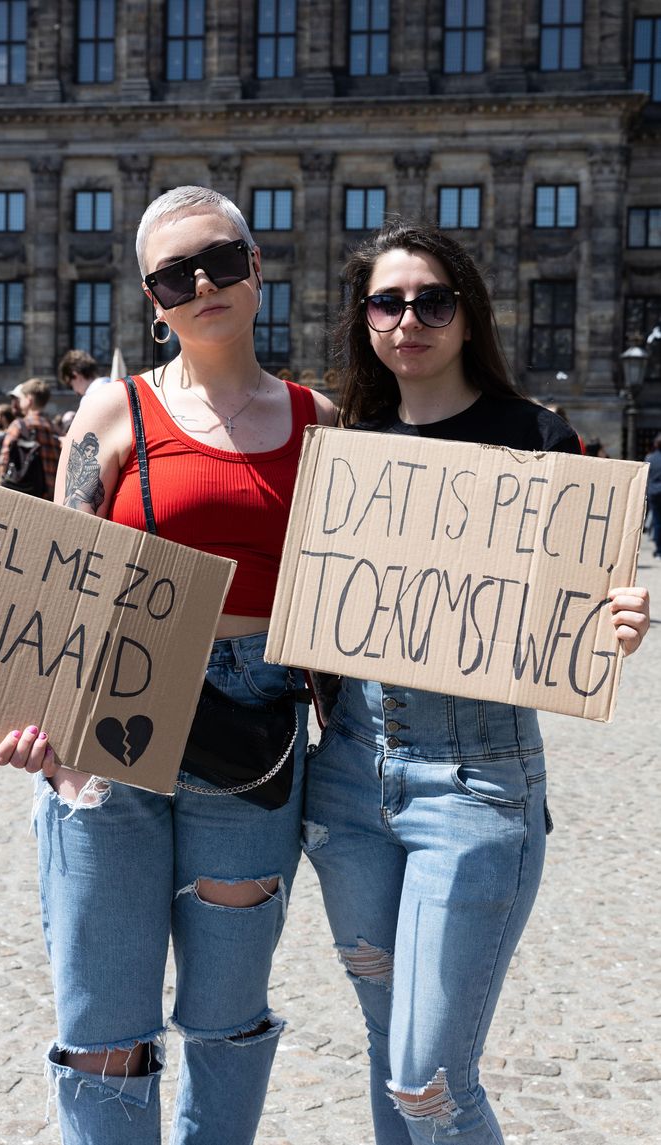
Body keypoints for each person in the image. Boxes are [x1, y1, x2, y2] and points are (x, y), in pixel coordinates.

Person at [0, 185, 336, 1144]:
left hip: (254, 739)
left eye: (221, 260)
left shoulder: (324, 420)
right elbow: (52, 582)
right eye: (174, 275)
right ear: (151, 299)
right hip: (106, 730)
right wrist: (32, 718)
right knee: (102, 1023)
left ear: (257, 266)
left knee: (227, 1016)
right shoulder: (111, 411)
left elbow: (374, 595)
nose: (202, 284)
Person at [302, 219, 650, 1144]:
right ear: (363, 319)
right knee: (387, 1050)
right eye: (387, 301)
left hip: (475, 782)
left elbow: (585, 600)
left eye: (431, 301)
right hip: (346, 779)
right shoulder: (344, 440)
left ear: (466, 316)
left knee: (427, 1074)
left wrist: (621, 616)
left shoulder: (536, 438)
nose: (407, 318)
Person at [0, 377, 61, 499]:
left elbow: (4, 458)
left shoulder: (19, 425)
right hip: (50, 494)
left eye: (21, 398)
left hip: (24, 491)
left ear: (29, 400)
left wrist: (1, 483)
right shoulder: (55, 428)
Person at [645, 433, 661, 558]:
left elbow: (646, 477)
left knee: (656, 520)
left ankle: (658, 546)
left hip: (653, 493)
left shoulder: (649, 458)